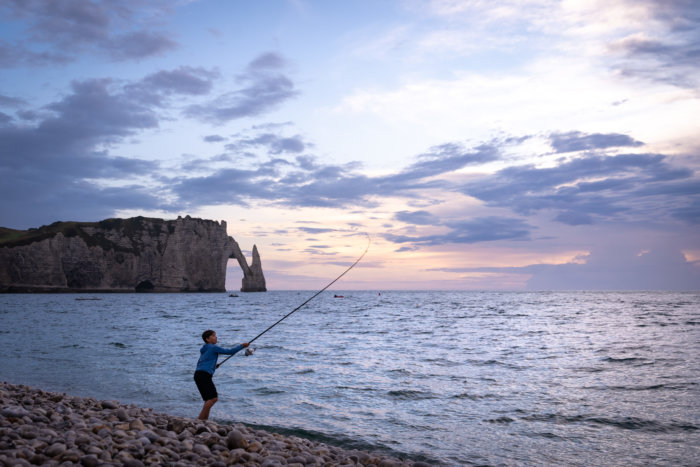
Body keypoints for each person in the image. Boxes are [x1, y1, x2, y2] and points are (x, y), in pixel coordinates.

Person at [194, 330, 249, 420]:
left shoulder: (204, 348)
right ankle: (199, 420)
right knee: (213, 398)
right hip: (204, 375)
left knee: (208, 400)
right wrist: (242, 346)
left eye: (215, 335)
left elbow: (204, 360)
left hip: (198, 374)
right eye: (213, 336)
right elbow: (230, 351)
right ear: (207, 339)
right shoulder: (212, 347)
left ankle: (204, 421)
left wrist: (213, 366)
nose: (216, 337)